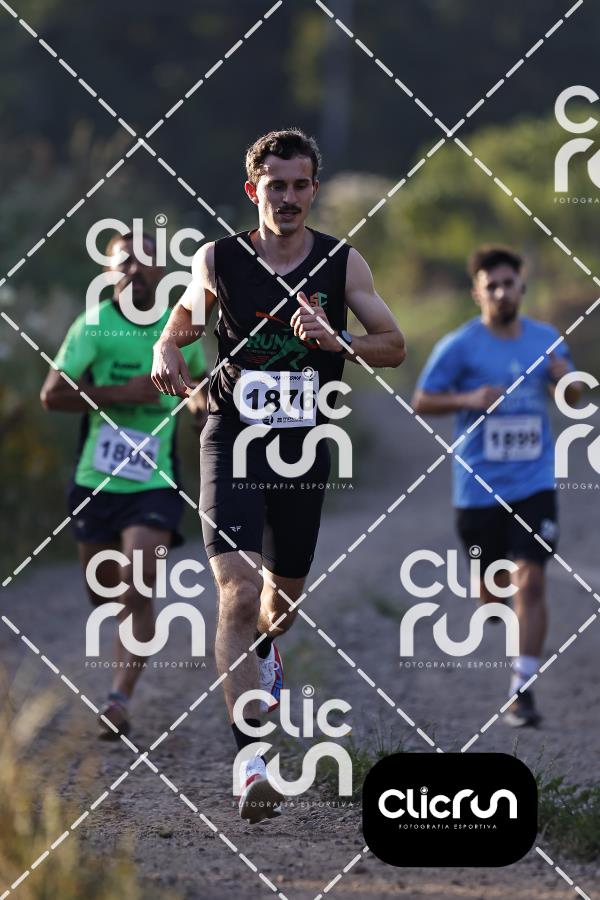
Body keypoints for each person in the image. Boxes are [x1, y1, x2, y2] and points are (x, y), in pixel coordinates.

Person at [151, 127, 406, 821]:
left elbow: (394, 346)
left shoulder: (343, 263)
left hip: (302, 451)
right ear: (253, 189)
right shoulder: (219, 258)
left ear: (313, 190)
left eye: (299, 186)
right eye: (275, 186)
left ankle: (268, 651)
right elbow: (182, 323)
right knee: (236, 592)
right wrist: (167, 347)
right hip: (231, 438)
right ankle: (251, 763)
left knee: (278, 606)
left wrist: (339, 341)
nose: (287, 198)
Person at [40, 230, 207, 738]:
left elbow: (199, 382)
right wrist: (118, 393)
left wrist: (200, 407)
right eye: (124, 262)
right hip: (96, 480)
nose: (135, 269)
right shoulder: (93, 325)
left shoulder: (178, 325)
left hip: (154, 478)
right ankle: (132, 625)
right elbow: (53, 395)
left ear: (161, 271)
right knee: (105, 595)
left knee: (138, 583)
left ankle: (118, 699)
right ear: (109, 272)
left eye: (145, 261)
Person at [412, 245, 582, 727]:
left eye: (509, 284)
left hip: (534, 482)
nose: (503, 293)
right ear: (477, 293)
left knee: (532, 579)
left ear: (521, 287)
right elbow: (421, 400)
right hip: (478, 489)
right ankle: (487, 592)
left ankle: (521, 690)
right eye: (493, 286)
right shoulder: (459, 345)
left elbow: (574, 396)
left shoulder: (546, 339)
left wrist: (566, 380)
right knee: (494, 594)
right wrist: (469, 398)